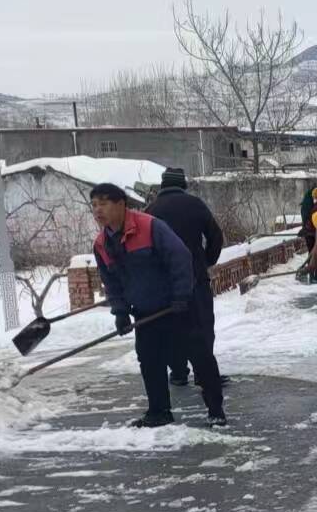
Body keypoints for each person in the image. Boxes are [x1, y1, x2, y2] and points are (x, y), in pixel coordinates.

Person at [89, 183, 226, 428]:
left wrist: (181, 295)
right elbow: (111, 280)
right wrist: (120, 312)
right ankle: (159, 411)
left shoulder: (149, 226)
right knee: (149, 359)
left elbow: (181, 257)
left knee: (200, 356)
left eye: (104, 203)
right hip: (145, 312)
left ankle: (215, 409)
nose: (98, 210)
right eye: (94, 205)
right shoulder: (101, 244)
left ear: (121, 204)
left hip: (179, 305)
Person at [147, 168, 225, 390]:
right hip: (195, 278)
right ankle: (204, 373)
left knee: (172, 327)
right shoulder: (195, 204)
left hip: (165, 283)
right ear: (183, 185)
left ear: (162, 185)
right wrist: (206, 260)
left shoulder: (150, 210)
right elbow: (216, 237)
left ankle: (179, 372)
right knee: (202, 325)